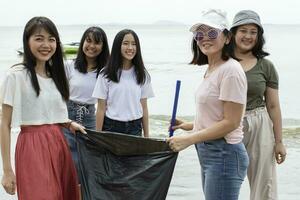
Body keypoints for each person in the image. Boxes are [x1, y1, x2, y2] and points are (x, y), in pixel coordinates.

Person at [166, 9, 249, 200]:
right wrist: (186, 125)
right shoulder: (213, 68)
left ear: (227, 38)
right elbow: (216, 116)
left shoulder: (230, 71)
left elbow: (231, 123)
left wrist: (188, 139)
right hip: (211, 152)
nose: (205, 38)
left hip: (224, 154)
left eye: (212, 33)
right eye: (199, 34)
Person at [0, 16, 86, 200]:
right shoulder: (15, 76)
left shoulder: (55, 75)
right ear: (27, 41)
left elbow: (49, 111)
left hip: (58, 143)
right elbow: (4, 124)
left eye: (51, 39)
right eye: (39, 38)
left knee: (64, 195)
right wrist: (7, 171)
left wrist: (69, 123)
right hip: (31, 146)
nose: (46, 44)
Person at [229, 10, 287, 200]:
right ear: (233, 33)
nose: (248, 36)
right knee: (226, 180)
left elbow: (273, 106)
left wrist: (279, 142)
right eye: (243, 30)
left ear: (259, 35)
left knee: (264, 185)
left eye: (253, 31)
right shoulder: (222, 62)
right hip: (228, 125)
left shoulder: (266, 66)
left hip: (259, 122)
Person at [92, 29, 154, 137]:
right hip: (111, 126)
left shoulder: (142, 74)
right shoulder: (106, 74)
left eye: (134, 44)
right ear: (117, 46)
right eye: (125, 43)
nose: (130, 48)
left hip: (135, 127)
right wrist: (98, 137)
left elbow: (144, 107)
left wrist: (147, 136)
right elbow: (101, 108)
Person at [63, 26, 109, 169]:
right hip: (67, 116)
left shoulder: (105, 71)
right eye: (88, 41)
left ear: (103, 46)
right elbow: (58, 94)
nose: (91, 46)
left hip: (90, 118)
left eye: (97, 42)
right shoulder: (69, 65)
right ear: (83, 42)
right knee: (67, 161)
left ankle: (82, 191)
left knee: (88, 163)